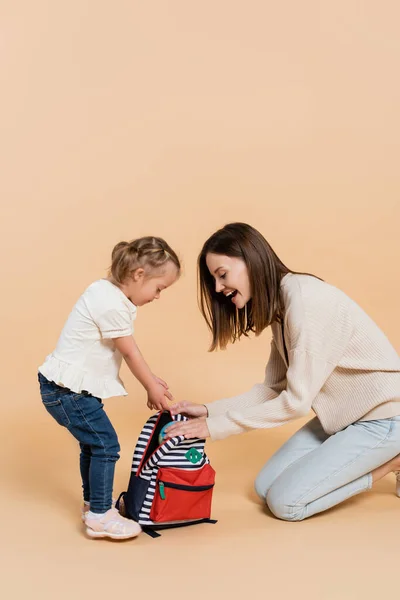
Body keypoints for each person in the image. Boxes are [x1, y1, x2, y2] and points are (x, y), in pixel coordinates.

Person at [166, 222, 400, 521]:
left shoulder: (305, 302)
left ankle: (393, 462)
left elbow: (296, 403)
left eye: (222, 275)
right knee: (264, 488)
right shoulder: (283, 306)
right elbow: (272, 389)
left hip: (385, 419)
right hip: (343, 417)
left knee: (286, 504)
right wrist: (207, 411)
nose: (218, 288)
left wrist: (214, 428)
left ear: (250, 259)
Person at [38, 236, 180, 539]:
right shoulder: (110, 302)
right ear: (138, 275)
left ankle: (93, 505)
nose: (158, 297)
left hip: (67, 390)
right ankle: (101, 515)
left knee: (93, 445)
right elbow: (130, 352)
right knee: (106, 446)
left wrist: (153, 379)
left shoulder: (107, 294)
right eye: (159, 288)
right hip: (67, 392)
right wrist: (151, 386)